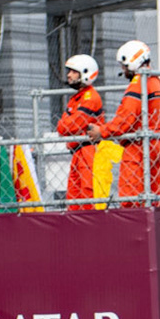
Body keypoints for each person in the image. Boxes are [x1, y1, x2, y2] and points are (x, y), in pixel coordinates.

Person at [90, 40, 160, 206]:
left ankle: (133, 228)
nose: (123, 70)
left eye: (124, 65)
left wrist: (101, 132)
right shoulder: (157, 82)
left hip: (138, 145)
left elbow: (125, 119)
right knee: (152, 194)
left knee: (130, 195)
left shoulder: (138, 85)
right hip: (158, 142)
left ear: (133, 62)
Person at [53, 53, 104, 209]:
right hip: (78, 151)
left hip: (89, 152)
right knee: (74, 197)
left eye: (74, 72)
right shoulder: (77, 98)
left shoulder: (90, 98)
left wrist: (67, 124)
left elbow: (69, 126)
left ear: (86, 73)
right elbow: (63, 128)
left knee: (88, 196)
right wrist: (67, 124)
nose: (69, 75)